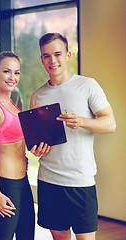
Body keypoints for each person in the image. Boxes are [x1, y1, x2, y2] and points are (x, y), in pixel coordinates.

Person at [30, 33, 116, 240]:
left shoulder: (88, 85)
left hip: (81, 180)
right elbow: (36, 140)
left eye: (58, 54)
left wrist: (82, 121)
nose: (53, 61)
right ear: (42, 60)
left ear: (68, 55)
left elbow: (110, 124)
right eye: (46, 56)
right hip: (49, 180)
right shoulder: (37, 96)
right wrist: (36, 149)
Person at [0, 51, 35, 240]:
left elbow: (17, 143)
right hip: (6, 185)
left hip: (23, 181)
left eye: (17, 72)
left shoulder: (12, 104)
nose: (13, 77)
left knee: (27, 235)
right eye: (7, 71)